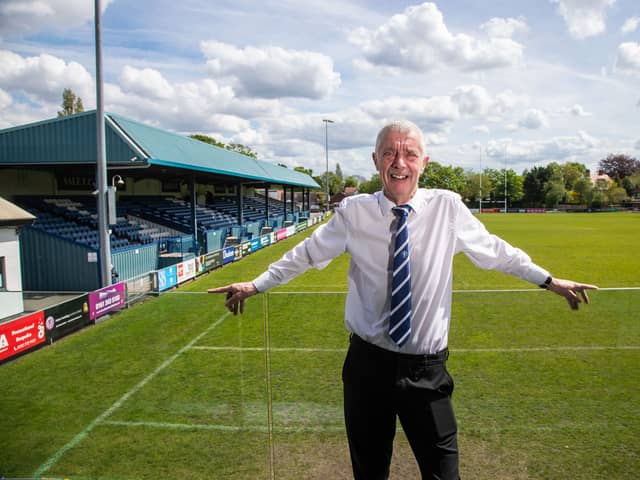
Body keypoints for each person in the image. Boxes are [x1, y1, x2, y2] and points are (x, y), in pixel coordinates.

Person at [209, 120, 597, 480]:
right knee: (369, 472)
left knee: (444, 473)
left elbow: (498, 252)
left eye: (409, 154)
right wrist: (255, 285)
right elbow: (305, 254)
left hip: (426, 372)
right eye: (390, 153)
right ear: (376, 160)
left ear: (424, 163)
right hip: (366, 368)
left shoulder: (447, 207)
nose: (399, 163)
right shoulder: (353, 212)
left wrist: (549, 280)